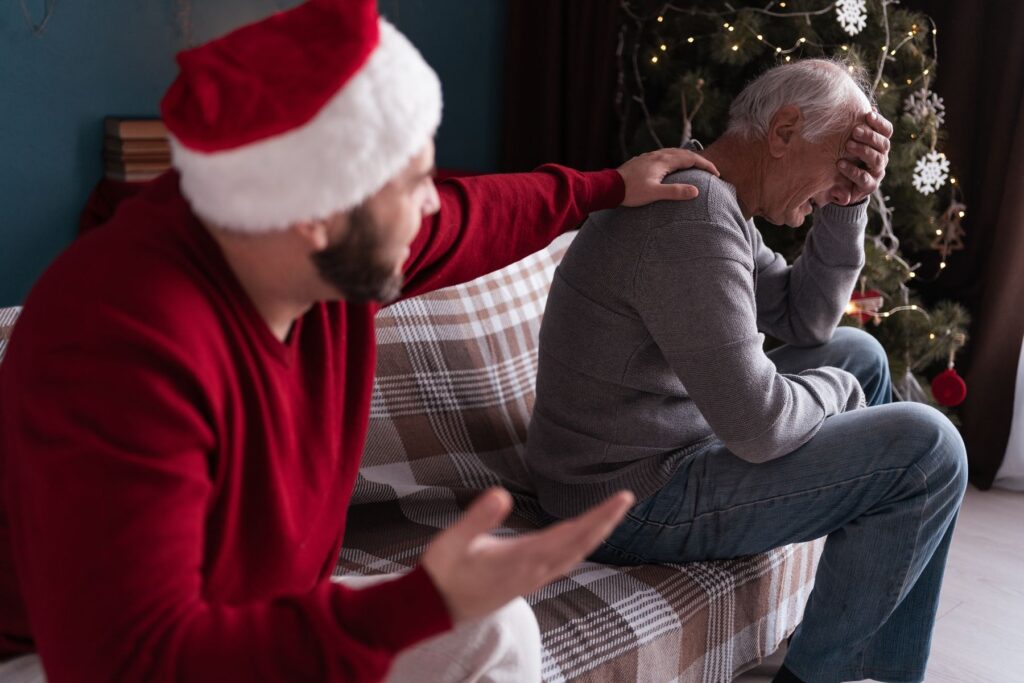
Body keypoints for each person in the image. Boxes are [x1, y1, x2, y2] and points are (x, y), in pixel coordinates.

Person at [0, 1, 722, 681]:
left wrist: (606, 187)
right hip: (73, 659)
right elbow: (132, 658)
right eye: (413, 183)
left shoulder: (308, 247)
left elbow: (473, 215)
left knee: (496, 627)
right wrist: (419, 603)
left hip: (252, 621)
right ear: (318, 217)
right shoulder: (118, 344)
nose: (431, 201)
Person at [525, 59, 968, 683]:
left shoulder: (714, 197)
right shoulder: (691, 213)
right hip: (622, 499)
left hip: (643, 457)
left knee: (860, 353)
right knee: (929, 449)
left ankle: (865, 662)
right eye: (841, 162)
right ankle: (821, 675)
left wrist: (847, 206)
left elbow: (806, 319)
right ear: (783, 132)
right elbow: (759, 427)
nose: (840, 180)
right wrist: (835, 390)